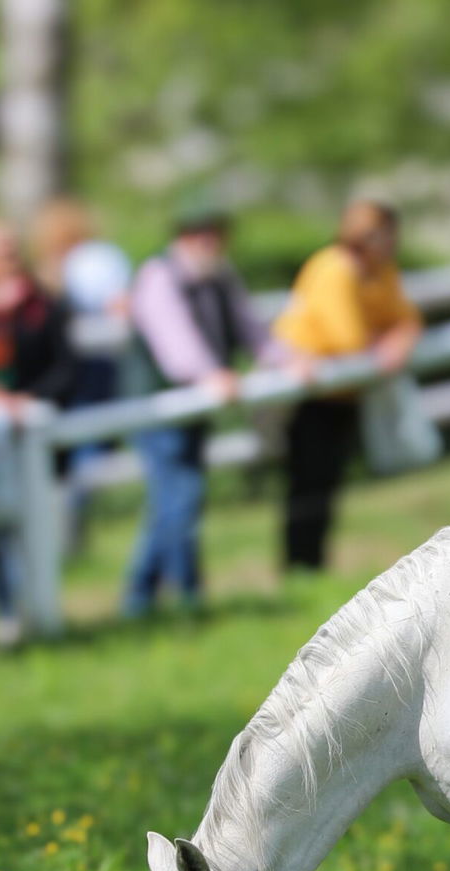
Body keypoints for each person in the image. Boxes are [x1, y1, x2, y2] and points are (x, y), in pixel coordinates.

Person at [122, 205, 281, 616]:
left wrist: (286, 359)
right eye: (200, 233)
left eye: (216, 232)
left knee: (173, 502)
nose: (210, 241)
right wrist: (211, 374)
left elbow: (251, 328)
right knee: (181, 498)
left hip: (194, 405)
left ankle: (140, 599)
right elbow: (177, 346)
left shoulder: (221, 276)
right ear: (183, 236)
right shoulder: (159, 276)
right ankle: (187, 597)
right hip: (157, 406)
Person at [272, 200, 421, 572]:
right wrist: (384, 337)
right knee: (307, 486)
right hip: (307, 395)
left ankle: (313, 567)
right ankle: (300, 569)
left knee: (327, 484)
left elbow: (406, 318)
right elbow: (347, 338)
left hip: (343, 394)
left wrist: (396, 337)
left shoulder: (380, 271)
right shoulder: (334, 269)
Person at [32, 198, 133, 556]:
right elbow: (120, 305)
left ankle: (64, 537)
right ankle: (69, 536)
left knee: (71, 453)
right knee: (88, 450)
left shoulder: (58, 266)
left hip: (70, 369)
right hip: (96, 366)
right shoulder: (98, 257)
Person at [0, 222, 74, 645]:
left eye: (11, 248)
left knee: (33, 529)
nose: (7, 257)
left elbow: (65, 370)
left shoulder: (42, 305)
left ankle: (32, 616)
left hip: (33, 431)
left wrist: (26, 400)